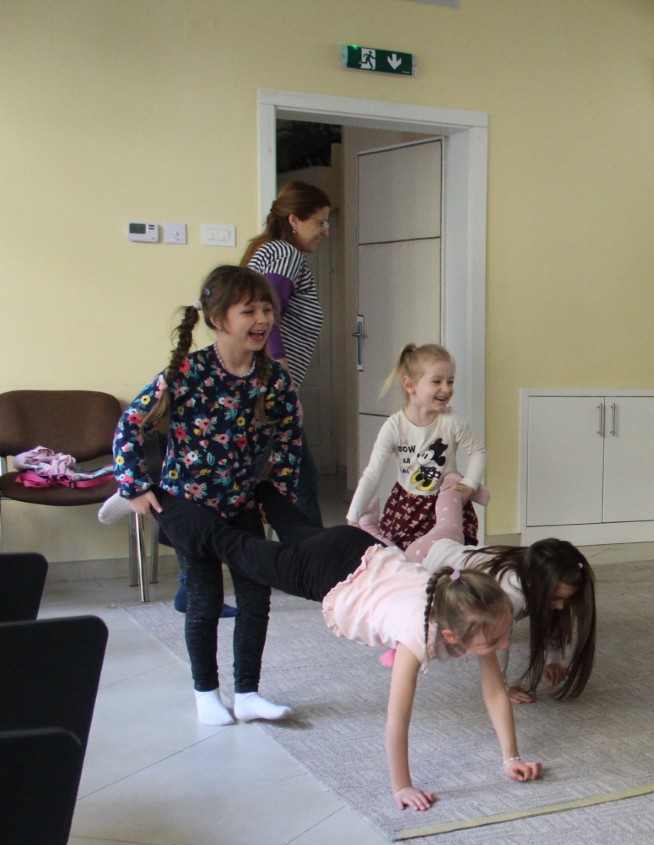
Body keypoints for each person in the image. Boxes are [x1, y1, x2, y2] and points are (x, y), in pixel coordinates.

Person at [142, 484, 541, 812]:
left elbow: (494, 691)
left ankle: (261, 488)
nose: (504, 645)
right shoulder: (417, 636)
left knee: (302, 532)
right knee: (231, 545)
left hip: (355, 545)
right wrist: (402, 786)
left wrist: (511, 758)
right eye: (495, 641)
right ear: (451, 637)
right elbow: (397, 719)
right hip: (330, 572)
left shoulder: (470, 611)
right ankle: (154, 499)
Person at [105, 266, 302, 726]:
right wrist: (134, 487)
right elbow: (130, 424)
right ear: (217, 319)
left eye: (267, 309)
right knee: (205, 599)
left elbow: (290, 439)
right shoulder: (188, 373)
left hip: (240, 503)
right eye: (248, 310)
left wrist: (277, 496)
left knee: (256, 597)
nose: (262, 319)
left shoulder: (272, 379)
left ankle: (247, 693)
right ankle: (206, 694)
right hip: (187, 506)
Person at [407, 478, 598, 705]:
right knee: (391, 550)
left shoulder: (535, 565)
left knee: (448, 522)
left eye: (565, 600)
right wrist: (502, 688)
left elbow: (554, 617)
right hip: (423, 558)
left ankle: (454, 488)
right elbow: (495, 644)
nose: (560, 606)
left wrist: (553, 659)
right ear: (533, 584)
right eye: (556, 598)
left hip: (451, 547)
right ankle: (451, 484)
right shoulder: (510, 596)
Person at [243, 180, 331, 524]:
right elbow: (266, 318)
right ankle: (311, 558)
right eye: (319, 222)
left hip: (261, 381)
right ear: (294, 220)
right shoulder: (284, 254)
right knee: (282, 478)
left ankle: (307, 552)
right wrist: (285, 382)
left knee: (301, 476)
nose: (325, 231)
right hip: (267, 384)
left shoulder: (271, 251)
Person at [347, 343, 487, 550]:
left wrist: (470, 485)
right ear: (410, 385)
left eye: (450, 381)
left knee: (446, 552)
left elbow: (478, 452)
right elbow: (372, 473)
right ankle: (369, 526)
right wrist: (353, 516)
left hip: (444, 504)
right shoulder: (394, 426)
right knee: (402, 554)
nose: (446, 388)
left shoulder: (452, 421)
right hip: (407, 507)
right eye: (437, 381)